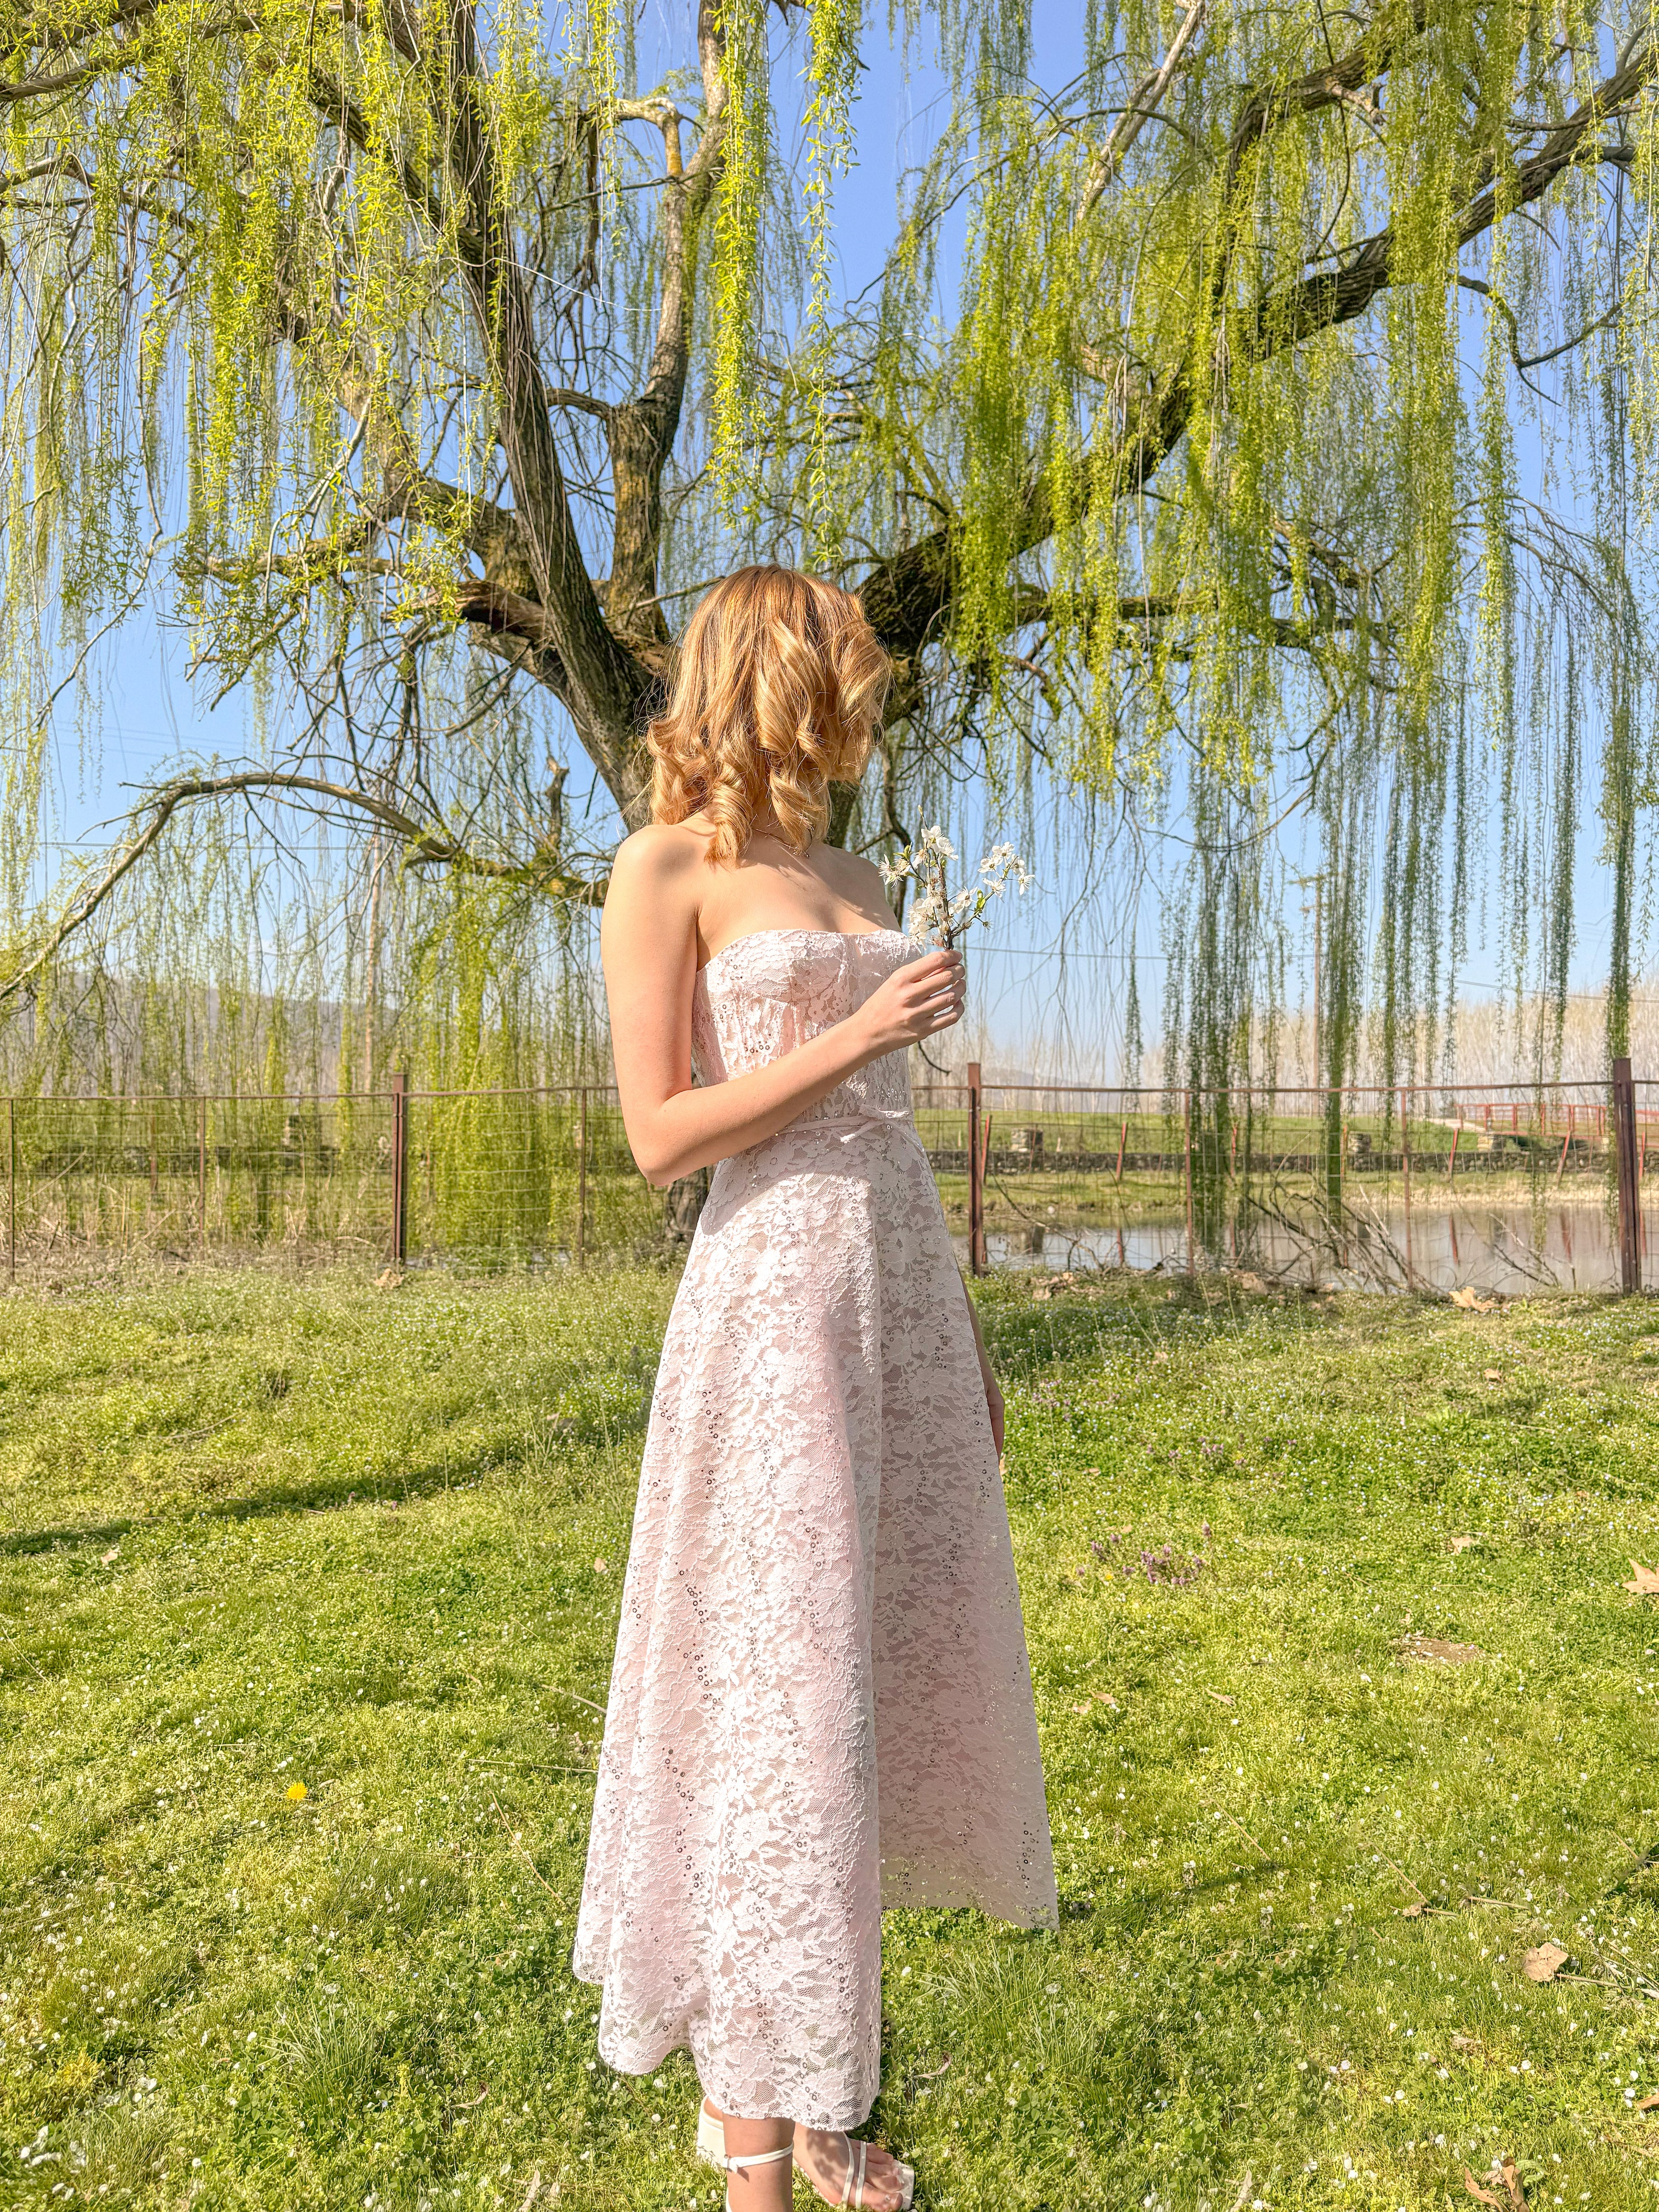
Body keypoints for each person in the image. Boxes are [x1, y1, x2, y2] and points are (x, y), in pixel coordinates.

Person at [573, 565, 1056, 2212]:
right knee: (774, 1695)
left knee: (863, 1682)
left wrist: (966, 1344)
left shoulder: (855, 865)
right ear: (783, 669)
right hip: (771, 1305)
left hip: (892, 1298)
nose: (876, 693)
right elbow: (659, 1139)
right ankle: (758, 2157)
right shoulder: (667, 870)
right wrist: (856, 1036)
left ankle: (825, 2096)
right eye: (854, 664)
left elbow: (896, 1146)